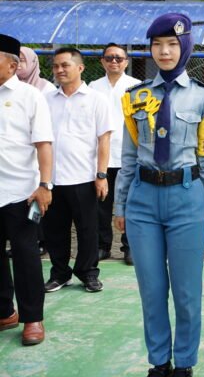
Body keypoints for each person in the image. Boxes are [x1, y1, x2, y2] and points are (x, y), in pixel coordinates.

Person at [114, 13, 204, 377]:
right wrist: (120, 205)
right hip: (142, 201)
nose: (164, 51)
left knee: (187, 292)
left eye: (173, 44)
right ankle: (159, 362)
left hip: (187, 198)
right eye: (157, 45)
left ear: (185, 47)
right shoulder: (135, 98)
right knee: (151, 289)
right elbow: (129, 157)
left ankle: (184, 363)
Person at [44, 47, 113, 294]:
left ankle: (88, 273)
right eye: (56, 66)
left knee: (87, 230)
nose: (59, 70)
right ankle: (59, 274)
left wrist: (101, 174)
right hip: (52, 178)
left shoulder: (96, 99)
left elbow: (104, 139)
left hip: (84, 177)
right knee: (54, 231)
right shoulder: (46, 100)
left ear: (80, 68)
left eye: (65, 65)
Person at [0, 34, 53, 346]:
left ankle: (32, 318)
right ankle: (5, 311)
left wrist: (45, 185)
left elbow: (44, 143)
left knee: (25, 255)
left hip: (21, 191)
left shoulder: (30, 96)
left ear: (12, 65)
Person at [89, 43, 141, 264]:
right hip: (101, 156)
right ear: (102, 61)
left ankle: (130, 247)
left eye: (119, 58)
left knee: (129, 202)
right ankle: (103, 246)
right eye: (109, 58)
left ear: (126, 62)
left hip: (128, 154)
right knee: (101, 204)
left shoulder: (136, 86)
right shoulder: (93, 87)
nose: (114, 62)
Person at [16, 46, 56, 258]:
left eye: (23, 60)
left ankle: (41, 241)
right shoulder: (7, 88)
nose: (19, 64)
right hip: (16, 159)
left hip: (39, 153)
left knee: (38, 198)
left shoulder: (44, 89)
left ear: (33, 63)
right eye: (17, 59)